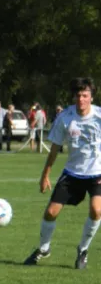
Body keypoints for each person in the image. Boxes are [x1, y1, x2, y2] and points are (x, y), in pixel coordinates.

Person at [24, 77, 101, 269]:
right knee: (50, 212)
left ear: (91, 97)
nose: (81, 99)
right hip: (72, 173)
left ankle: (83, 250)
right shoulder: (65, 118)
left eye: (85, 95)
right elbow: (54, 149)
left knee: (96, 210)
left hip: (97, 173)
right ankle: (44, 248)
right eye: (78, 95)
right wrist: (45, 175)